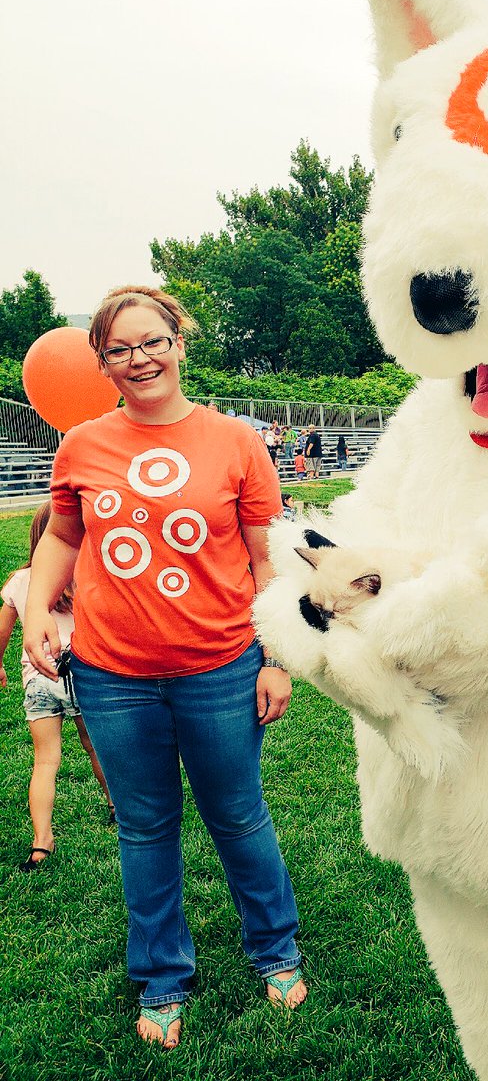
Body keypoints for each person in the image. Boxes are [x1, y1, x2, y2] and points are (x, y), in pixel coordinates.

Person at [23, 286, 306, 1051]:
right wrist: (40, 606)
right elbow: (64, 536)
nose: (139, 359)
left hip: (221, 668)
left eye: (152, 341)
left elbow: (268, 560)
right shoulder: (83, 445)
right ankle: (161, 977)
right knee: (144, 829)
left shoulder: (236, 442)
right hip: (111, 676)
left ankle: (275, 948)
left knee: (238, 816)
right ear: (102, 364)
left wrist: (276, 657)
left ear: (179, 342)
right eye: (118, 349)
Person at [1, 502, 114, 870]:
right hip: (79, 672)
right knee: (95, 747)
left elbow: (3, 631)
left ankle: (41, 841)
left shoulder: (19, 582)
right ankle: (116, 804)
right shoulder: (83, 576)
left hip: (38, 678)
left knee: (45, 760)